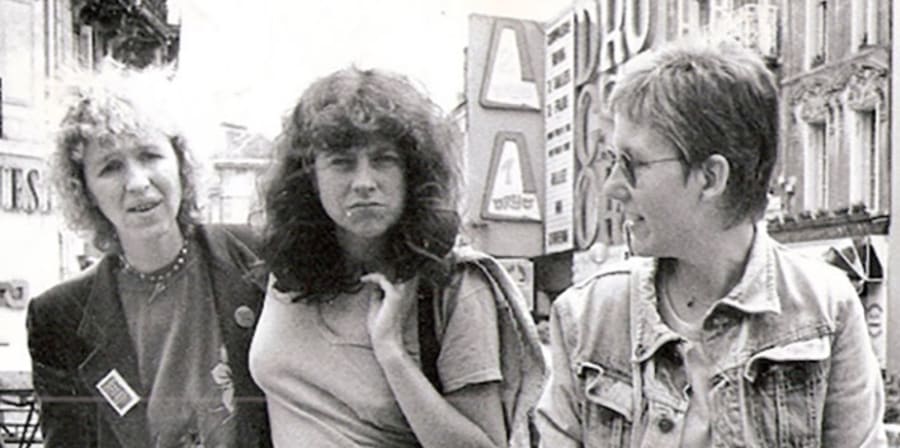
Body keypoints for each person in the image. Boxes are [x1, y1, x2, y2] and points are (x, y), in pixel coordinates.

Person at [535, 40, 886, 447]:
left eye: (632, 164)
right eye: (612, 162)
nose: (613, 187)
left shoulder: (826, 308)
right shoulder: (587, 316)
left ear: (710, 178)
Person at [248, 67, 545, 448]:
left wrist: (391, 352)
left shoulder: (453, 286)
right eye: (342, 162)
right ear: (310, 178)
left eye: (384, 160)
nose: (365, 182)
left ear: (413, 173)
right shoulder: (285, 271)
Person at [26, 64, 271, 447]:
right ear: (84, 190)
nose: (138, 182)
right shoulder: (59, 316)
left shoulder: (259, 260)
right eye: (111, 167)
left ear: (182, 164)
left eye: (150, 155)